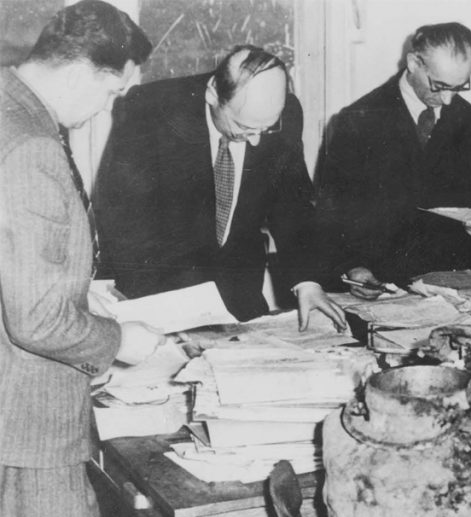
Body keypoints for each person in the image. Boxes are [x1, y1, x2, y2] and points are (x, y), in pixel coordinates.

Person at [0, 1, 174, 517]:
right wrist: (119, 340)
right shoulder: (32, 144)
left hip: (23, 386)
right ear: (84, 69)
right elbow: (36, 319)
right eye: (112, 90)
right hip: (24, 382)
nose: (109, 105)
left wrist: (80, 287)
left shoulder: (10, 104)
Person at [93, 45, 345, 328]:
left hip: (239, 298)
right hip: (161, 297)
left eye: (265, 129)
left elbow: (292, 205)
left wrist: (307, 281)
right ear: (213, 93)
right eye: (244, 127)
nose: (256, 142)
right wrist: (158, 315)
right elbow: (123, 220)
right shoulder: (150, 110)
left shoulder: (286, 114)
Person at [313, 22, 471, 299]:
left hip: (450, 286)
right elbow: (331, 213)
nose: (449, 100)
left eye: (461, 87)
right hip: (380, 284)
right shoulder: (356, 120)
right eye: (439, 86)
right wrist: (351, 267)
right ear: (414, 62)